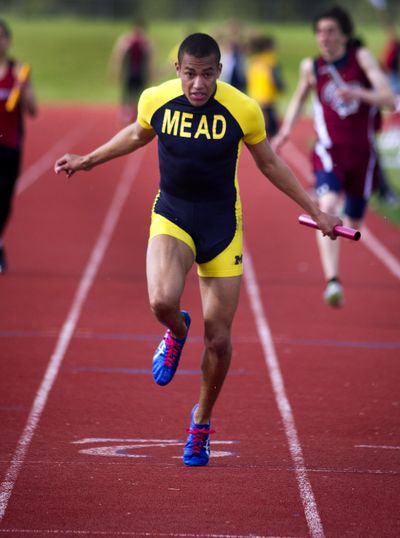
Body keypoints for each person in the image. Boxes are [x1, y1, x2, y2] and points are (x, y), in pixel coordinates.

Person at [55, 33, 340, 466]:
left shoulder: (242, 108)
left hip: (222, 225)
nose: (198, 85)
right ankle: (176, 331)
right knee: (161, 301)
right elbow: (136, 134)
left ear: (219, 72)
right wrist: (87, 160)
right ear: (178, 70)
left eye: (207, 75)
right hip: (172, 214)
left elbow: (269, 163)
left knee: (220, 340)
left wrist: (317, 211)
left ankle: (201, 423)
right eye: (190, 74)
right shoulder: (156, 100)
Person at [273, 6, 395, 307]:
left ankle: (346, 211)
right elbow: (300, 97)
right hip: (329, 152)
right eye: (319, 32)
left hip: (362, 156)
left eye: (330, 31)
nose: (324, 37)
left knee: (354, 222)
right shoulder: (310, 67)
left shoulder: (360, 59)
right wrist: (285, 131)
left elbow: (390, 100)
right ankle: (332, 281)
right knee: (325, 207)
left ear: (343, 34)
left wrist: (359, 94)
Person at [0, 19, 38, 274]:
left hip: (10, 145)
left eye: (2, 36)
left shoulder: (20, 71)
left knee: (4, 199)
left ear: (8, 40)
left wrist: (23, 91)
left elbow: (33, 110)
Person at [109, 19, 152, 125]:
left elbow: (150, 59)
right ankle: (125, 113)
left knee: (140, 94)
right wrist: (115, 70)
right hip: (129, 71)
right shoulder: (126, 41)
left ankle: (137, 114)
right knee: (127, 93)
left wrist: (150, 73)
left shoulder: (146, 42)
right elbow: (118, 56)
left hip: (140, 72)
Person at [246, 34, 285, 137]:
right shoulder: (271, 60)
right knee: (272, 128)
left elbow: (248, 78)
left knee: (261, 123)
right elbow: (274, 77)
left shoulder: (253, 61)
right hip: (267, 94)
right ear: (268, 47)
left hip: (255, 95)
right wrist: (281, 87)